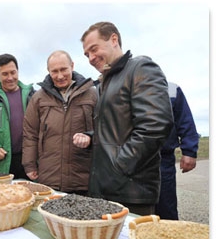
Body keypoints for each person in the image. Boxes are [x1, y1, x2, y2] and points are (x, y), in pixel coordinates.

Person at [80, 21, 173, 216]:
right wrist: (91, 136)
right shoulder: (106, 82)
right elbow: (116, 129)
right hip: (104, 189)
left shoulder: (141, 68)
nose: (90, 57)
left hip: (131, 192)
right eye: (87, 54)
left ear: (114, 39)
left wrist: (120, 165)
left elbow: (155, 125)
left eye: (94, 49)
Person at [22, 50, 97, 195]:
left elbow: (103, 129)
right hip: (50, 178)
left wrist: (90, 137)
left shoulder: (92, 94)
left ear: (72, 66)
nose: (60, 76)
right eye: (54, 71)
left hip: (83, 178)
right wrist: (29, 165)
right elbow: (30, 133)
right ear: (48, 71)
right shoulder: (38, 98)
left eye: (64, 69)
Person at [155, 82, 199, 220]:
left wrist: (189, 151)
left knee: (165, 207)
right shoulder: (124, 84)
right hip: (131, 158)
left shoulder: (171, 89)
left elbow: (185, 120)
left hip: (162, 159)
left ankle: (170, 238)